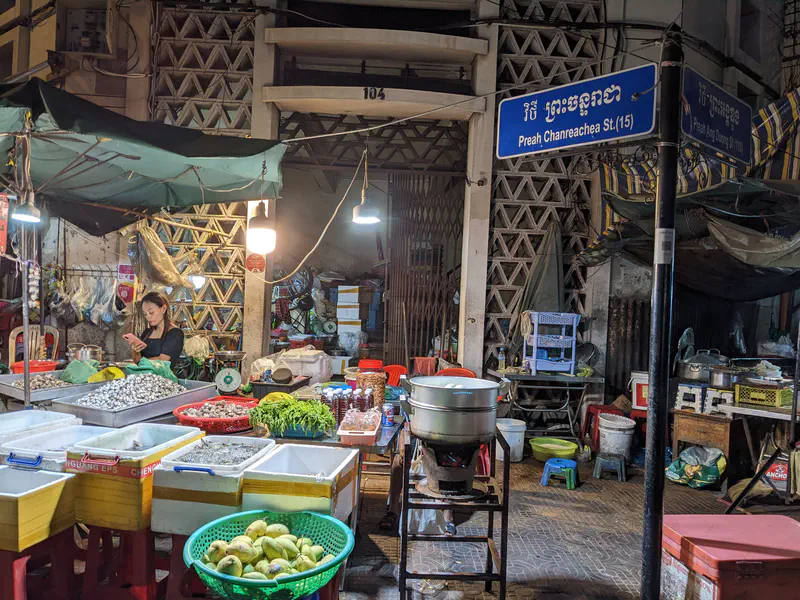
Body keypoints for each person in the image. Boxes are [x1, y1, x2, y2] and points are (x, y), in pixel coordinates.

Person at [122, 291, 184, 372]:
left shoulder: (175, 334)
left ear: (163, 309)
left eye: (151, 312)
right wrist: (135, 351)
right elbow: (137, 361)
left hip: (163, 380)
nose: (148, 317)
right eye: (145, 314)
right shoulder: (147, 332)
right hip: (144, 378)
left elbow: (162, 361)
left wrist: (141, 362)